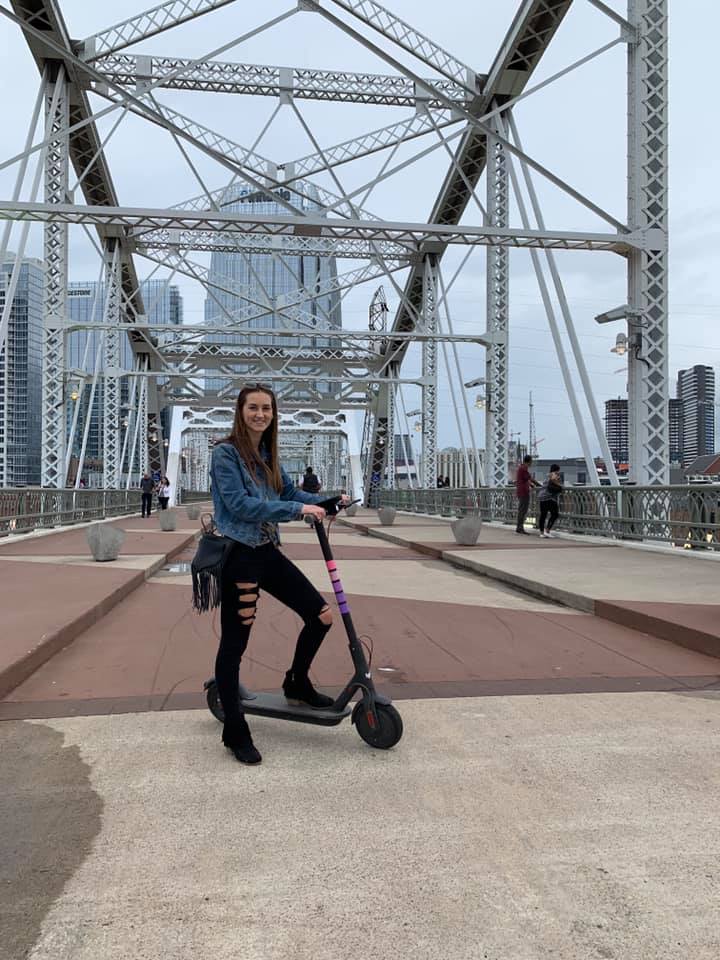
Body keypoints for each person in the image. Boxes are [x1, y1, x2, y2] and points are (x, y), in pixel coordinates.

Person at [209, 386, 348, 766]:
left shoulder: (268, 455)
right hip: (239, 553)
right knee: (236, 643)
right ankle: (234, 729)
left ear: (273, 413)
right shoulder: (225, 454)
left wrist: (330, 501)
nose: (260, 414)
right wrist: (295, 510)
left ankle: (297, 683)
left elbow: (290, 491)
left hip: (266, 550)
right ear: (240, 411)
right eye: (253, 407)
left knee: (321, 616)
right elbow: (240, 505)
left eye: (266, 408)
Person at [515, 455, 539, 534]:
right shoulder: (523, 469)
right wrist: (538, 484)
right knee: (523, 510)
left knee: (521, 510)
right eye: (531, 461)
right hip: (524, 492)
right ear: (528, 461)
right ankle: (520, 527)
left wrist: (531, 485)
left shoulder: (521, 468)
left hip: (521, 491)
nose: (531, 463)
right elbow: (530, 478)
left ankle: (519, 527)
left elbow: (525, 479)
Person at [538, 464, 563, 538]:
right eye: (558, 470)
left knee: (543, 515)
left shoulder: (547, 475)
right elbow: (554, 481)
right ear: (557, 470)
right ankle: (547, 530)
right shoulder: (555, 475)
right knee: (555, 514)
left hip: (542, 497)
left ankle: (542, 533)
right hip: (549, 497)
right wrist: (560, 486)